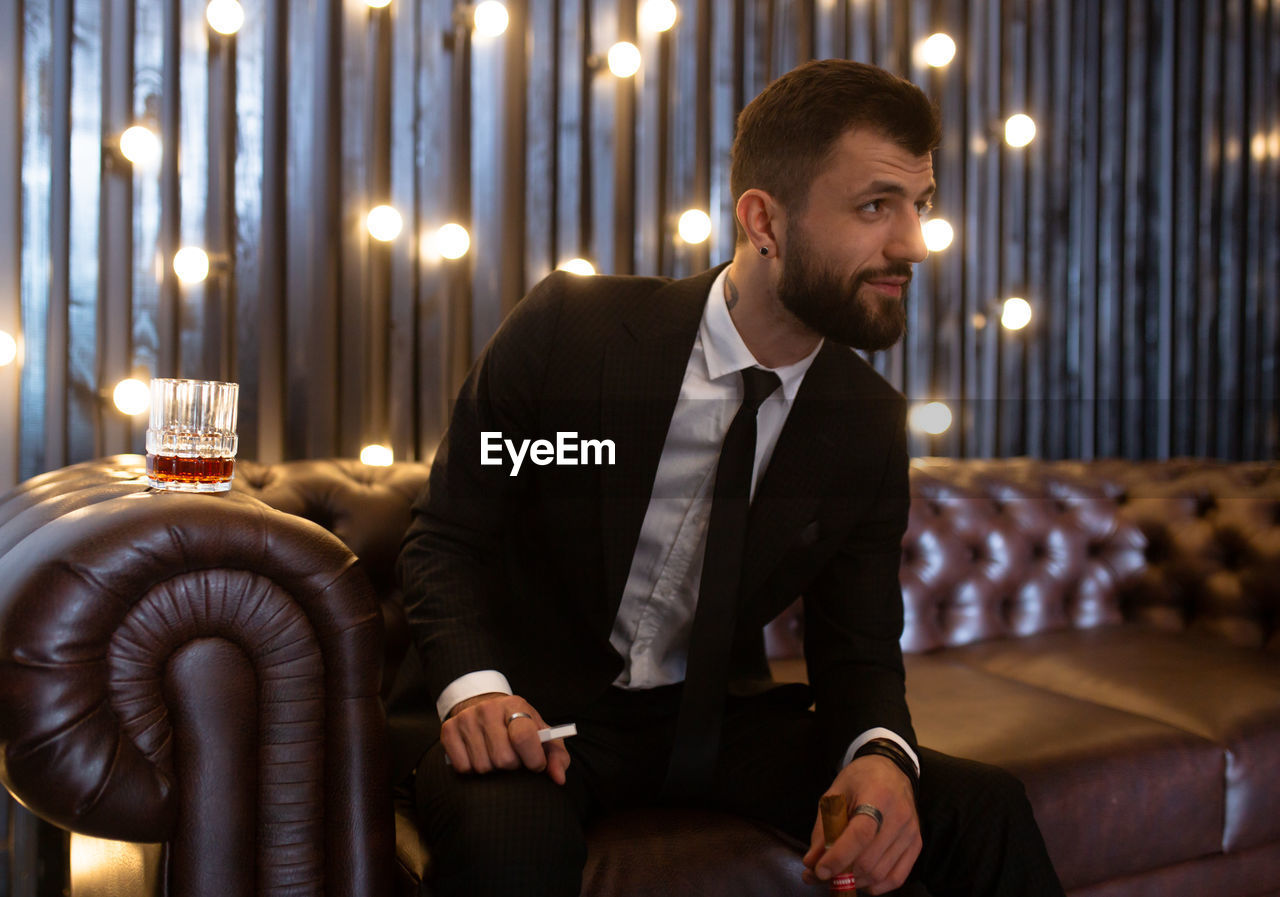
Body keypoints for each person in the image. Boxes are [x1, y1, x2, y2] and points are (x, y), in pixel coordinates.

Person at [396, 58, 1066, 897]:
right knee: (511, 852)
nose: (914, 243)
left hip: (715, 720)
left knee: (986, 807)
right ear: (764, 221)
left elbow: (856, 645)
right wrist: (476, 692)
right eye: (874, 207)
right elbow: (447, 537)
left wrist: (880, 755)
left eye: (920, 206)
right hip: (538, 713)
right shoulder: (572, 333)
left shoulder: (865, 421)